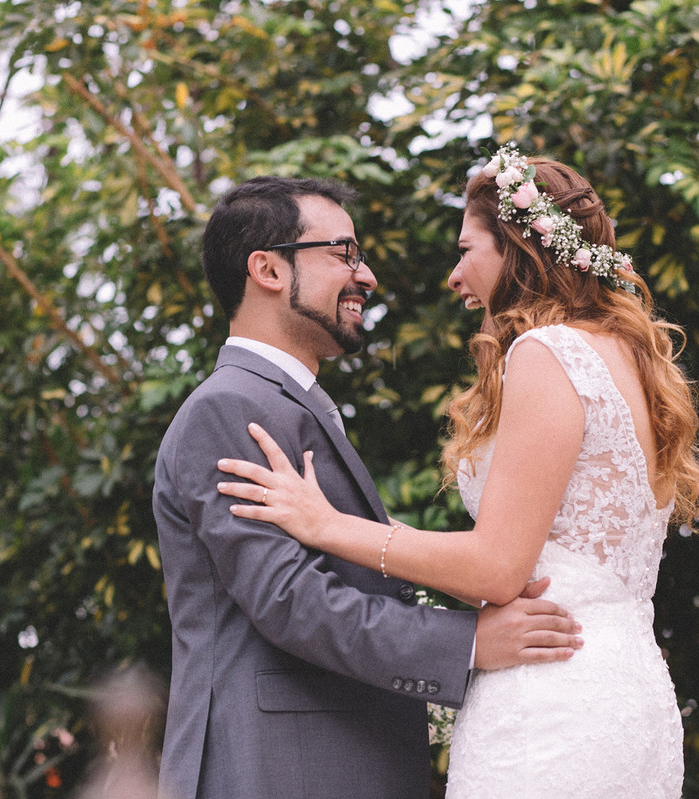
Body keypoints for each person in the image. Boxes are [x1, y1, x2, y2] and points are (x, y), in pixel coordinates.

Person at [216, 147, 699, 798]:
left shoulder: (547, 351)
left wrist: (326, 524)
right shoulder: (627, 355)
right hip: (625, 686)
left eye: (466, 249)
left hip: (549, 703)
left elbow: (498, 567)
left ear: (515, 250)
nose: (456, 275)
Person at [152, 175, 585, 799]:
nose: (367, 276)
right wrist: (469, 642)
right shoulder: (227, 407)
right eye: (344, 254)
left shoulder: (287, 404)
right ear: (267, 270)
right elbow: (291, 599)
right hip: (274, 769)